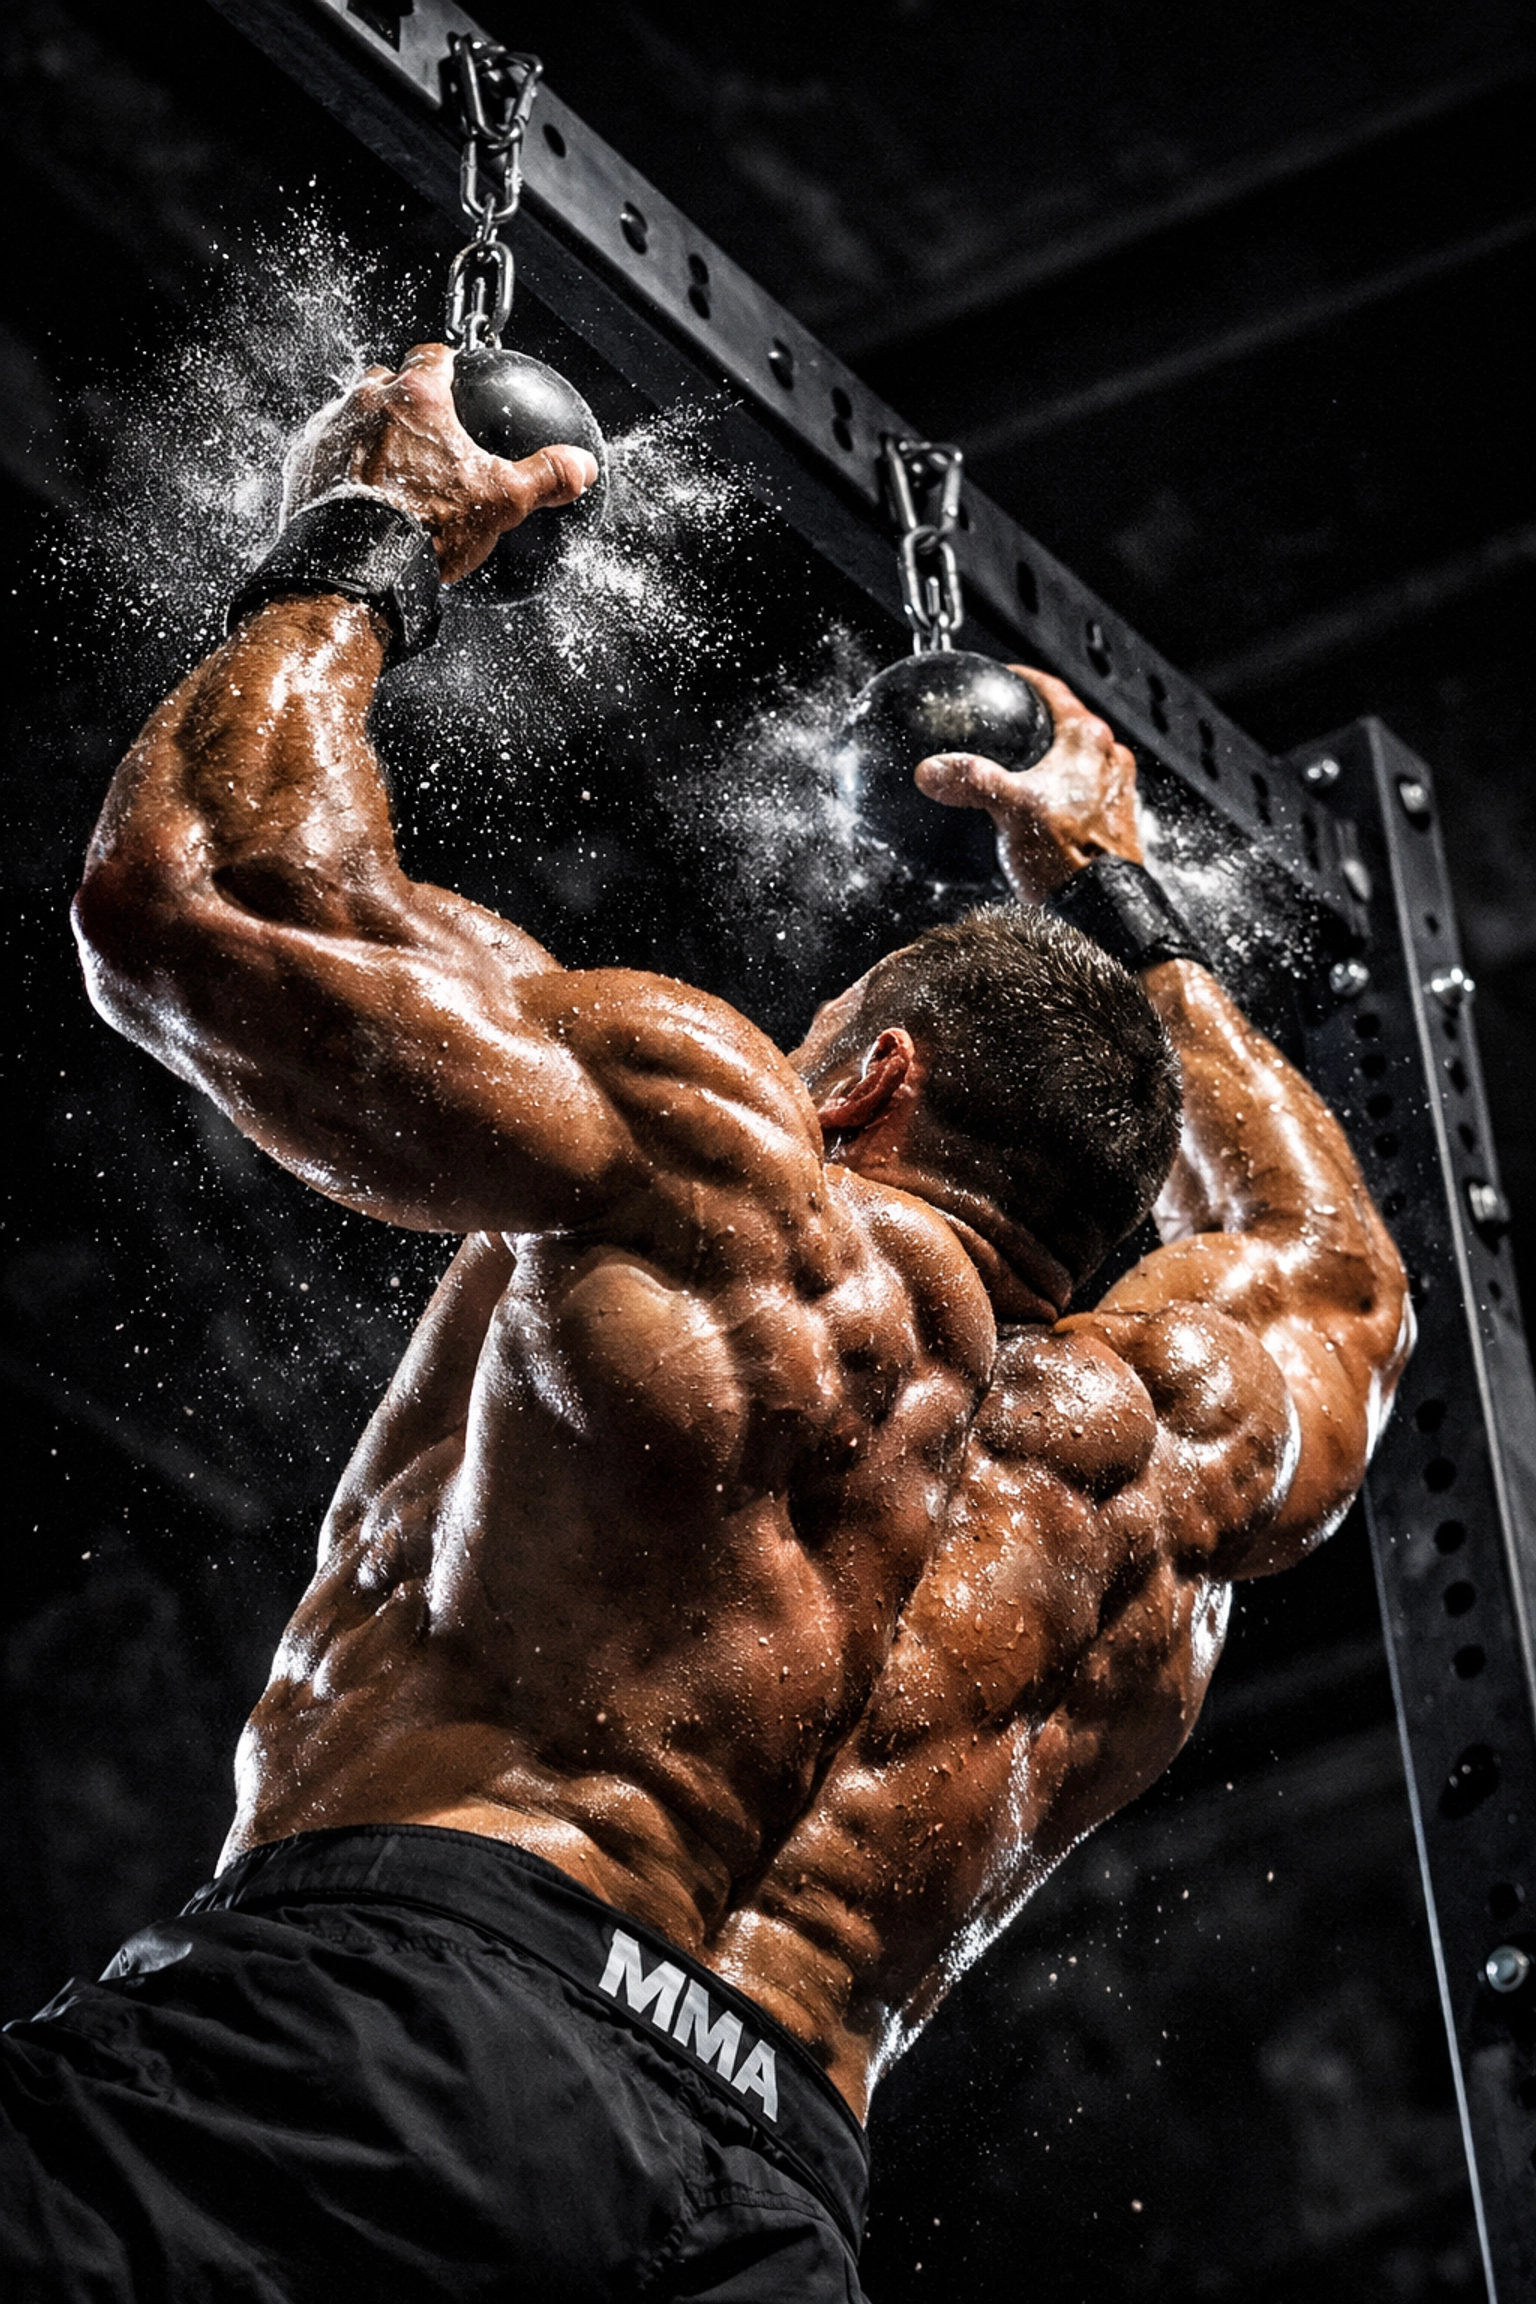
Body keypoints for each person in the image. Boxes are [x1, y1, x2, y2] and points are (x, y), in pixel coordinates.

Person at [2, 345, 1410, 2302]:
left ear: (868, 1080)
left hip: (410, 2027)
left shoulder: (738, 1182)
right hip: (763, 2209)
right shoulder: (1165, 1462)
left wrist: (373, 531)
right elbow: (1341, 1269)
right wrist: (1126, 900)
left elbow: (204, 894)